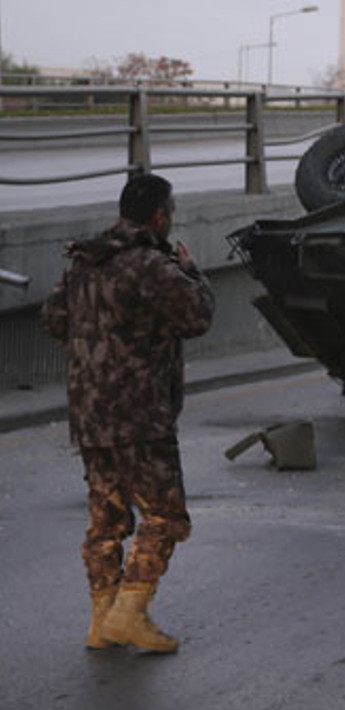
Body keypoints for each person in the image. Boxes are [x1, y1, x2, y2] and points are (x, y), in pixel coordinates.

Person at [41, 174, 215, 653]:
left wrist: (99, 348)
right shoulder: (150, 264)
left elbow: (54, 320)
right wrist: (192, 270)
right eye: (171, 210)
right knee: (163, 515)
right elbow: (197, 315)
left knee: (107, 519)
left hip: (91, 413)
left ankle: (101, 619)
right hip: (140, 415)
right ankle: (129, 613)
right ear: (160, 216)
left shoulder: (85, 260)